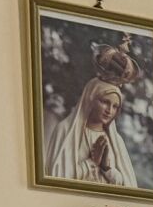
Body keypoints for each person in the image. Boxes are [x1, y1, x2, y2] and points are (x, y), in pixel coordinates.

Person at [46, 37, 142, 189]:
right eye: (104, 102)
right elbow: (55, 179)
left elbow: (129, 187)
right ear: (90, 98)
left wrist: (107, 168)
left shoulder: (116, 141)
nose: (109, 110)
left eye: (115, 106)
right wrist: (91, 162)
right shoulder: (65, 130)